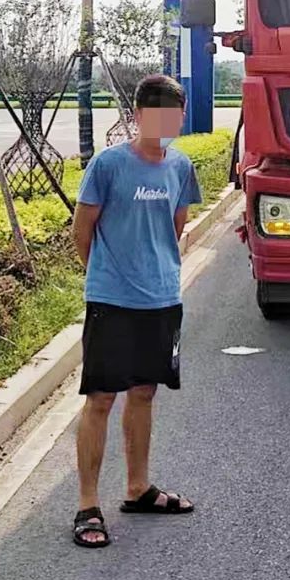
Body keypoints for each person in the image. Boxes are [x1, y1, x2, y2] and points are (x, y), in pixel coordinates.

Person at [70, 74, 203, 548]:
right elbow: (82, 229)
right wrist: (107, 276)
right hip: (112, 301)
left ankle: (138, 488)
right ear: (138, 116)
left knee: (145, 392)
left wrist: (154, 272)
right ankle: (88, 504)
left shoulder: (181, 167)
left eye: (174, 117)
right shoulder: (108, 164)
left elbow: (176, 227)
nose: (166, 126)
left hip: (162, 299)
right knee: (101, 398)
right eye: (157, 117)